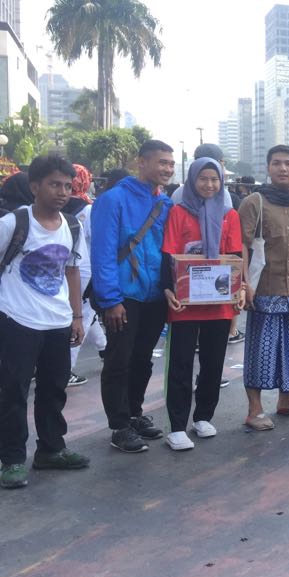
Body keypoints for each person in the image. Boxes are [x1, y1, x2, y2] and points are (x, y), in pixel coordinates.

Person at [0, 156, 89, 489]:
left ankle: (51, 449)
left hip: (58, 321)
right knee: (13, 392)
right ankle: (10, 460)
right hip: (17, 319)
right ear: (35, 186)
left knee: (53, 390)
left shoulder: (72, 225)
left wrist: (77, 316)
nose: (62, 192)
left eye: (67, 185)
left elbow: (71, 270)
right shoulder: (14, 223)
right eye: (54, 184)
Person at [92, 140, 175, 453]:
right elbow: (101, 252)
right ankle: (119, 425)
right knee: (119, 360)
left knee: (142, 358)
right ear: (141, 162)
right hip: (123, 296)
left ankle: (135, 413)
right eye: (161, 162)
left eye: (170, 163)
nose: (167, 168)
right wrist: (110, 300)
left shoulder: (165, 203)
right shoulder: (113, 200)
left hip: (154, 295)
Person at [160, 158, 244, 450]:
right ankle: (177, 426)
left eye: (215, 179)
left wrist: (239, 290)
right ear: (192, 181)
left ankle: (203, 416)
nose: (209, 184)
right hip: (184, 303)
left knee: (213, 363)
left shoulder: (229, 215)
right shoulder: (179, 212)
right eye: (203, 179)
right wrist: (167, 289)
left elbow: (234, 256)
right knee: (180, 364)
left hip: (218, 304)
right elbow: (168, 255)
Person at [238, 145, 289, 430]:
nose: (283, 168)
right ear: (268, 168)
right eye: (277, 163)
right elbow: (242, 247)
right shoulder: (254, 202)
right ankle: (254, 409)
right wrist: (245, 284)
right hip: (264, 290)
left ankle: (285, 401)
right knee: (261, 351)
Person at [66, 164, 106, 388]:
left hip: (64, 270)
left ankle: (104, 348)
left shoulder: (57, 206)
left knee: (86, 314)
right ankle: (66, 369)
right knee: (81, 316)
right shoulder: (88, 210)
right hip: (84, 270)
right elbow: (96, 240)